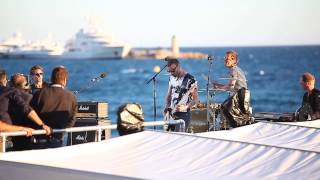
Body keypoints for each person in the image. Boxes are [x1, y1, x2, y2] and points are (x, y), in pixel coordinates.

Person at [30, 66, 77, 148]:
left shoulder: (39, 94)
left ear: (51, 79)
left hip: (39, 137)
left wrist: (40, 127)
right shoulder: (71, 96)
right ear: (65, 80)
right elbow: (72, 120)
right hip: (58, 139)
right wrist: (61, 132)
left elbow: (30, 114)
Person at [0, 69, 51, 134]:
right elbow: (25, 108)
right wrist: (42, 124)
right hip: (7, 134)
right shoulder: (11, 92)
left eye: (41, 74)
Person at [213, 51, 251, 129]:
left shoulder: (234, 70)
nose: (225, 61)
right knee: (236, 112)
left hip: (241, 94)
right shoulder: (236, 69)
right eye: (225, 59)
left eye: (227, 59)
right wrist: (219, 86)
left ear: (234, 60)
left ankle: (236, 127)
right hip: (242, 93)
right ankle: (240, 126)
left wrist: (219, 87)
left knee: (224, 107)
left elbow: (231, 86)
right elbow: (231, 86)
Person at [163, 57, 199, 132]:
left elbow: (196, 99)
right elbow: (169, 95)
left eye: (173, 70)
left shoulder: (190, 79)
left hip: (183, 115)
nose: (171, 73)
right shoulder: (171, 77)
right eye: (169, 71)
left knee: (178, 139)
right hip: (171, 114)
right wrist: (166, 106)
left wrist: (186, 107)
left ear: (179, 66)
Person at [9, 73, 34, 150]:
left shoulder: (7, 96)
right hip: (27, 131)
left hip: (12, 130)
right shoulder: (30, 97)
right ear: (24, 84)